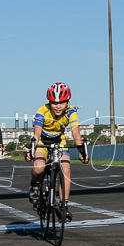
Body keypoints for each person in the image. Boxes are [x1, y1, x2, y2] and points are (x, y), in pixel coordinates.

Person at [26, 82, 88, 220]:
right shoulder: (42, 111)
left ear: (67, 102)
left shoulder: (71, 111)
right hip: (43, 141)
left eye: (62, 103)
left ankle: (63, 206)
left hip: (59, 141)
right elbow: (36, 134)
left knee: (66, 166)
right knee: (39, 168)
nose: (58, 106)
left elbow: (76, 133)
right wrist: (32, 149)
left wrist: (81, 152)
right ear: (49, 102)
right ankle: (35, 184)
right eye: (54, 103)